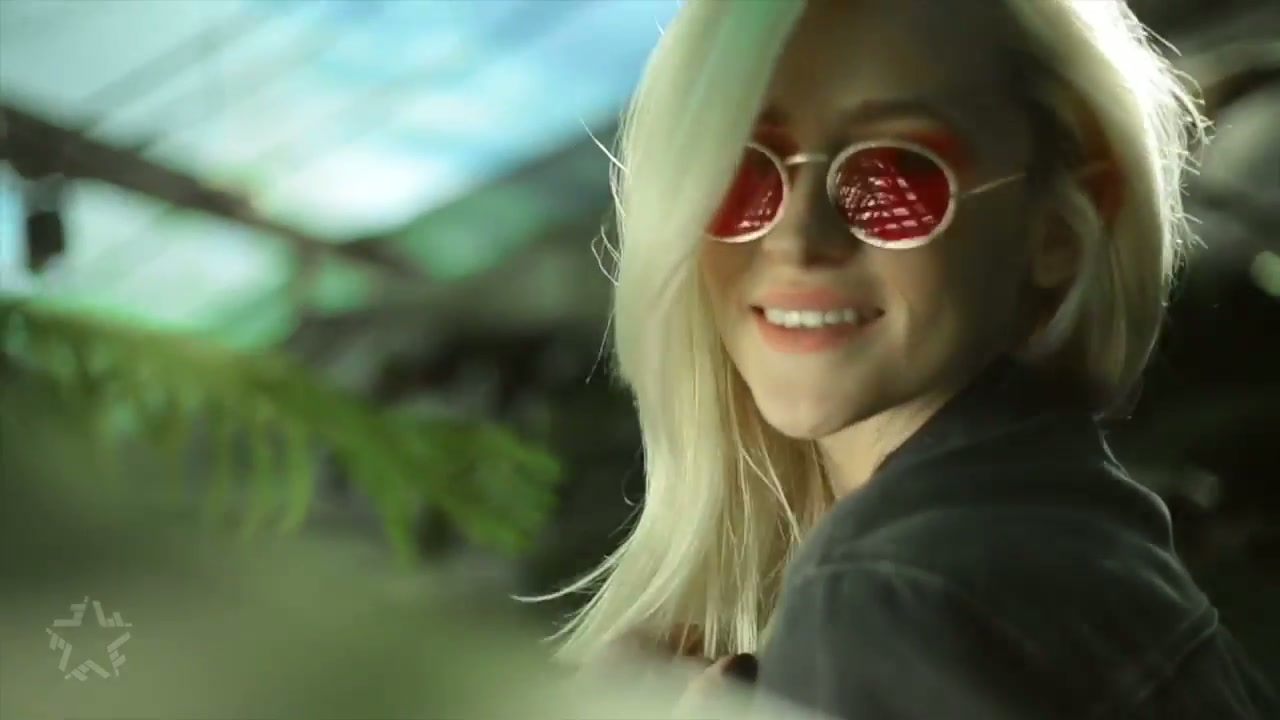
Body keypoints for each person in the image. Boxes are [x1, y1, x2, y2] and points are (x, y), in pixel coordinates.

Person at [538, 0, 1280, 717]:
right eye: (740, 171)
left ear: (1058, 223)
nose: (798, 238)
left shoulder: (889, 593)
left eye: (896, 172)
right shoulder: (1081, 532)